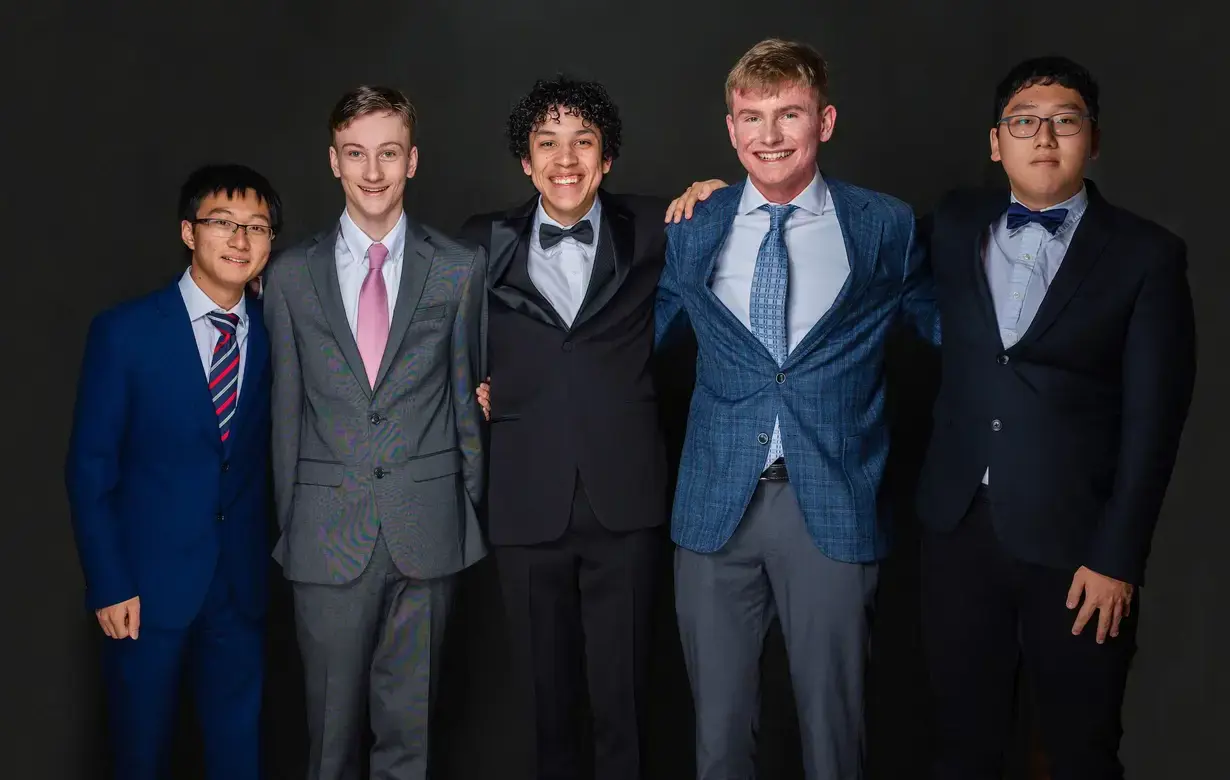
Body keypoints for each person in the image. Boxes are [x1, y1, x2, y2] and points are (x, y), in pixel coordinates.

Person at [655, 38, 938, 779]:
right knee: (718, 742)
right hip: (716, 509)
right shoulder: (693, 224)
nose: (770, 134)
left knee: (834, 739)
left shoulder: (886, 227)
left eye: (790, 114)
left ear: (826, 121)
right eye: (752, 117)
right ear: (731, 129)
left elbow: (959, 336)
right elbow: (624, 339)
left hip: (834, 505)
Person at [914, 56, 1197, 779]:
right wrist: (720, 196)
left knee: (1079, 749)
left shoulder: (1147, 256)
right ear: (995, 142)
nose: (1044, 137)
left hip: (1078, 549)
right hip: (957, 531)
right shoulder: (951, 224)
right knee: (959, 744)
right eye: (1024, 122)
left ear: (1092, 140)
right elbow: (845, 237)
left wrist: (1117, 558)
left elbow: (1154, 422)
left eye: (1064, 121)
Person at [262, 85, 487, 780]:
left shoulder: (457, 268)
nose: (373, 171)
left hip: (427, 529)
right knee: (328, 743)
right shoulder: (290, 275)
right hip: (326, 534)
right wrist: (295, 525)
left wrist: (462, 509)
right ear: (333, 161)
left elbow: (465, 402)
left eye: (388, 153)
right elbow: (284, 415)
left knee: (409, 741)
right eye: (356, 154)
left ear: (412, 160)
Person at [460, 75, 677, 780]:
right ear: (526, 160)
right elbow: (427, 328)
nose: (565, 158)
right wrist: (471, 392)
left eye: (583, 141)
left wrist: (710, 188)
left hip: (626, 500)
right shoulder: (479, 243)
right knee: (540, 708)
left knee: (628, 706)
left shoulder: (653, 226)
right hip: (524, 502)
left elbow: (738, 217)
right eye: (546, 142)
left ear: (606, 156)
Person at [65, 163, 281, 780]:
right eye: (223, 223)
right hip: (143, 591)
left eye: (257, 227)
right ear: (189, 232)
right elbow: (89, 467)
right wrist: (108, 581)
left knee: (238, 756)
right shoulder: (124, 334)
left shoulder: (276, 335)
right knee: (140, 755)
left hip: (240, 586)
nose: (240, 240)